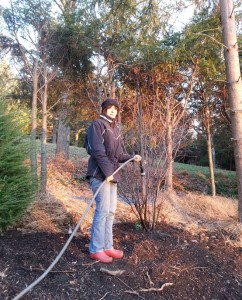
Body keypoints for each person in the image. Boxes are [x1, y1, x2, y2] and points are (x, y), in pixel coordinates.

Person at [86, 98, 142, 263]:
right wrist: (108, 172)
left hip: (111, 175)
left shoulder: (115, 129)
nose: (112, 111)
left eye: (115, 109)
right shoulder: (97, 125)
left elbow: (116, 155)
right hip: (99, 174)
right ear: (103, 109)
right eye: (109, 108)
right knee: (102, 211)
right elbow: (97, 151)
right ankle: (96, 249)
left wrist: (132, 158)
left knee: (110, 212)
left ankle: (107, 247)